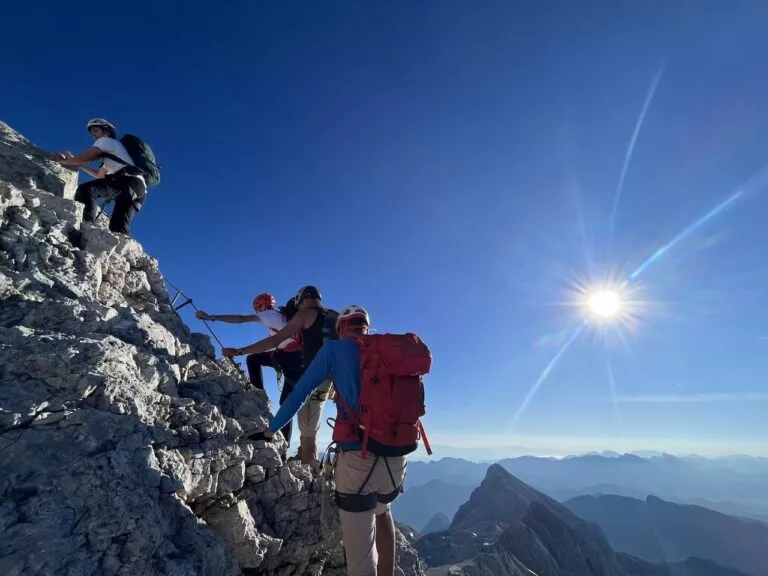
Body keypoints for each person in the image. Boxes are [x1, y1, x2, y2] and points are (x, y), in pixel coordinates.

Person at [251, 305, 413, 576]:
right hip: (398, 455)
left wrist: (271, 430)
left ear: (341, 328)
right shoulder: (386, 349)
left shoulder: (334, 350)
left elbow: (300, 393)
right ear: (366, 326)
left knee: (360, 555)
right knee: (383, 512)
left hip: (357, 459)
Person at [222, 285, 337, 464]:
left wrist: (239, 350)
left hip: (310, 373)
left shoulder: (302, 314)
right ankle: (307, 463)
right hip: (331, 380)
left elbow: (274, 339)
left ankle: (300, 461)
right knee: (309, 430)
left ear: (301, 300)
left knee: (293, 411)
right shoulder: (334, 316)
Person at [196, 293, 303, 449]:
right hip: (289, 357)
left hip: (289, 358)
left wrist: (211, 317)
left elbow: (241, 319)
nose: (257, 312)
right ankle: (258, 394)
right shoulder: (280, 316)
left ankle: (259, 395)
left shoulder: (269, 315)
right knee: (254, 360)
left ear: (261, 306)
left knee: (285, 402)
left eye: (257, 308)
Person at [51, 119, 146, 236]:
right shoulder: (115, 153)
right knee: (118, 228)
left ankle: (87, 226)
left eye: (96, 131)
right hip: (139, 189)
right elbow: (98, 175)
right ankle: (119, 248)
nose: (93, 135)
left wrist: (63, 161)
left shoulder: (106, 141)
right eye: (91, 133)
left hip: (126, 182)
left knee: (86, 190)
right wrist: (79, 165)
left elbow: (83, 158)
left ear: (106, 131)